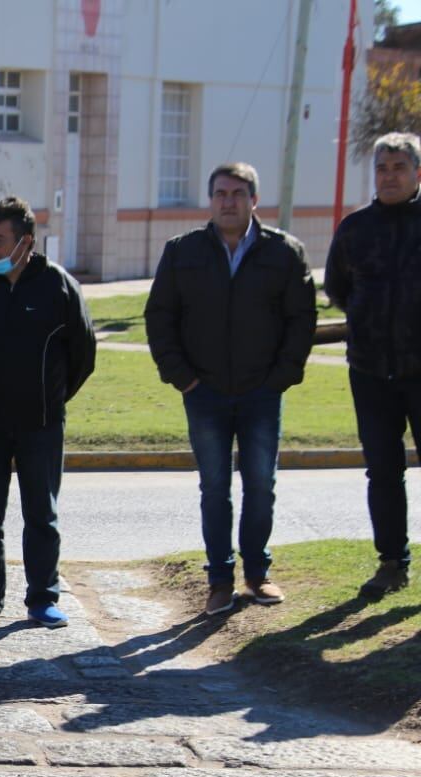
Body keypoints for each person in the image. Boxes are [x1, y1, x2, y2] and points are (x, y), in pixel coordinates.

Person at [145, 162, 316, 616]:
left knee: (261, 485)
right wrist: (182, 376)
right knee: (214, 487)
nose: (228, 201)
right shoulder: (183, 252)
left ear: (254, 200)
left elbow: (302, 320)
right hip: (204, 392)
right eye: (220, 193)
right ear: (210, 200)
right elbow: (160, 317)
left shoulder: (284, 252)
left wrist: (282, 376)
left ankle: (257, 574)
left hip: (262, 392)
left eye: (238, 194)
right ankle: (219, 580)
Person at [0, 197, 96, 630]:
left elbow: (83, 353)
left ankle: (42, 599)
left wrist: (52, 397)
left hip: (42, 423)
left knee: (41, 514)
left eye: (0, 240)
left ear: (25, 242)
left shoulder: (58, 286)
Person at [325, 132, 421, 601]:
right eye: (382, 168)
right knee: (382, 471)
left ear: (417, 173)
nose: (389, 176)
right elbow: (339, 289)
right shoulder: (355, 228)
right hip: (369, 370)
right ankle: (392, 563)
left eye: (399, 167)